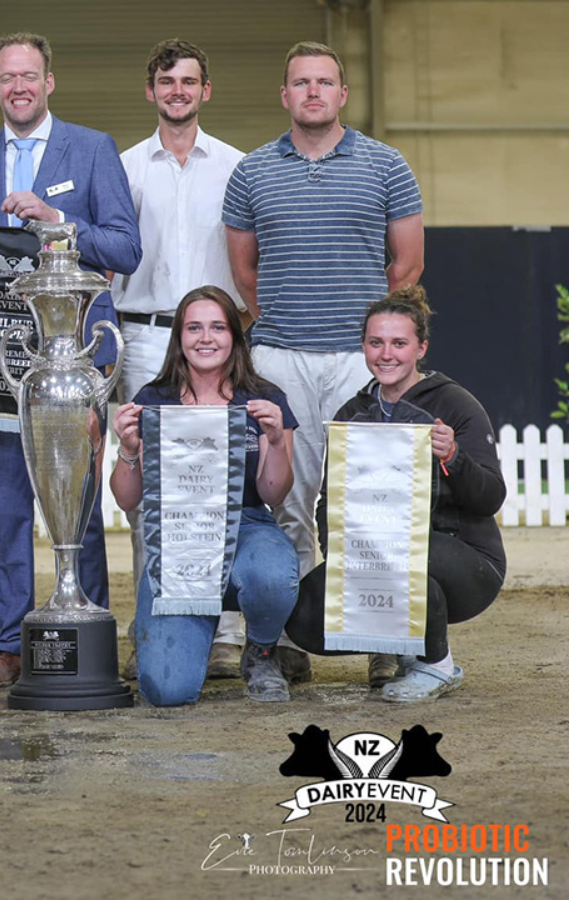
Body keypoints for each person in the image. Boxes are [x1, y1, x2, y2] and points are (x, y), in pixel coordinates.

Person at [222, 41, 425, 687]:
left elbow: (408, 267)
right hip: (280, 356)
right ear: (284, 96)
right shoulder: (251, 173)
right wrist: (290, 323)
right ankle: (286, 642)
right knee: (286, 503)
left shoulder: (388, 166)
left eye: (325, 82)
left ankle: (381, 641)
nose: (313, 92)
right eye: (301, 83)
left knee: (370, 503)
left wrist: (363, 341)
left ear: (342, 94)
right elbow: (244, 274)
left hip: (360, 360)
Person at [0, 32, 141, 689]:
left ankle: (86, 627)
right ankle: (8, 645)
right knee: (9, 507)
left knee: (78, 501)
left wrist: (56, 218)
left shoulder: (91, 149)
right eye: (8, 77)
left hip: (76, 356)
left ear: (49, 82)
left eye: (31, 75)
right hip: (2, 355)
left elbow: (124, 247)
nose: (20, 87)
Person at [112, 39, 260, 679]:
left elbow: (253, 260)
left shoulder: (239, 168)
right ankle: (160, 614)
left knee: (223, 484)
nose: (178, 90)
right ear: (151, 91)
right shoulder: (121, 169)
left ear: (206, 91)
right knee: (152, 493)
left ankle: (226, 631)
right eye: (167, 80)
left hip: (216, 340)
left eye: (189, 80)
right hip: (143, 336)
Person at [286, 287, 506, 701]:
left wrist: (454, 457)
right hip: (377, 553)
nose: (386, 354)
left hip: (467, 559)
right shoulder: (352, 414)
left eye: (399, 343)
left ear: (421, 348)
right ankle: (402, 647)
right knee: (302, 619)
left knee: (396, 553)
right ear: (364, 347)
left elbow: (490, 498)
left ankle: (437, 664)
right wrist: (342, 560)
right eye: (376, 342)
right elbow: (328, 503)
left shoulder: (456, 405)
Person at [111, 286, 299, 705]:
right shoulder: (152, 401)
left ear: (235, 336)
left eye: (217, 327)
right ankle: (194, 625)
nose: (206, 338)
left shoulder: (265, 399)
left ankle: (262, 651)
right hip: (178, 540)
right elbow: (127, 500)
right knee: (165, 691)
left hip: (248, 523)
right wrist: (126, 448)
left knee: (271, 575)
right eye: (194, 328)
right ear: (179, 337)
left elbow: (275, 492)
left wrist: (275, 440)